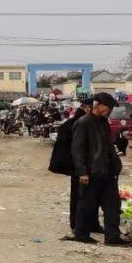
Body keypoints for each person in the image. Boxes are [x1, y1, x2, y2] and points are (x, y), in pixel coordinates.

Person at [72, 93, 132, 247]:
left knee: (112, 205)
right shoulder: (83, 123)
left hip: (107, 171)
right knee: (86, 204)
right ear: (98, 105)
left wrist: (116, 164)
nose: (110, 111)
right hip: (91, 172)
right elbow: (78, 150)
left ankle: (112, 236)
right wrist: (82, 171)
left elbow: (107, 146)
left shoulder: (104, 123)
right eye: (108, 107)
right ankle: (81, 233)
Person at [49, 97, 102, 240]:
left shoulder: (91, 121)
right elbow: (76, 149)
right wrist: (79, 168)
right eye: (92, 107)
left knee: (91, 198)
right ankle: (77, 226)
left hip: (87, 167)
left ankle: (90, 224)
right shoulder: (78, 123)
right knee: (79, 198)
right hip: (79, 168)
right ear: (86, 107)